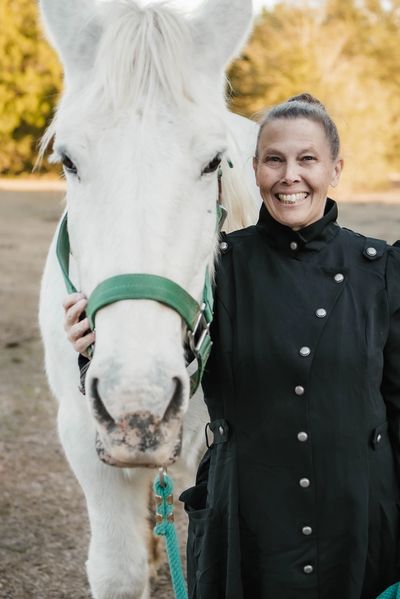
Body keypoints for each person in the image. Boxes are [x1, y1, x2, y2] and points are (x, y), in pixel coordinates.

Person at [64, 94, 400, 598]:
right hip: (245, 522)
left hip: (358, 523)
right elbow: (165, 367)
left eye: (307, 159)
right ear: (254, 170)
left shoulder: (381, 270)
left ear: (335, 169)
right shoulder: (217, 268)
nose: (290, 175)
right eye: (274, 159)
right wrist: (93, 349)